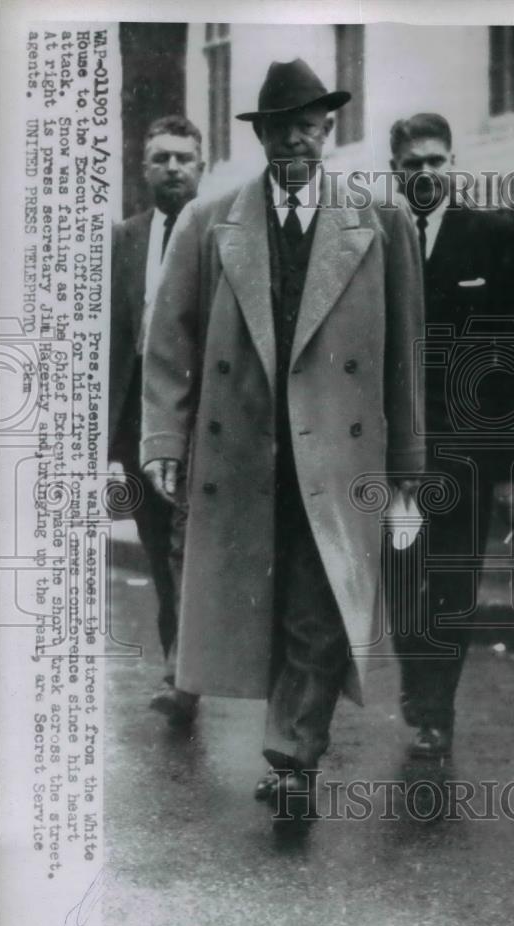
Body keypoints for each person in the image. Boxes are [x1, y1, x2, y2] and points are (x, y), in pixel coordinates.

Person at [140, 59, 424, 823]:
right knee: (262, 602)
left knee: (319, 603)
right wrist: (164, 437)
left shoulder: (380, 221)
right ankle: (287, 742)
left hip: (338, 455)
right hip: (244, 452)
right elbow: (169, 340)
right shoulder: (210, 222)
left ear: (326, 131)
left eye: (307, 125)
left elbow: (407, 354)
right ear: (261, 136)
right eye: (280, 127)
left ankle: (294, 757)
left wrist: (407, 467)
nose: (295, 139)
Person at [388, 113, 514, 759]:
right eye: (413, 163)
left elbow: (512, 354)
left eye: (436, 160)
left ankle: (437, 709)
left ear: (453, 164)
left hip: (468, 449)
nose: (426, 173)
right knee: (400, 574)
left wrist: (509, 465)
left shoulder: (490, 236)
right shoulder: (378, 237)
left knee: (454, 583)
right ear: (395, 171)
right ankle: (417, 680)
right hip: (397, 449)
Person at [108, 115, 204, 723]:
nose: (172, 168)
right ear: (144, 170)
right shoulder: (123, 239)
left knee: (185, 546)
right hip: (136, 421)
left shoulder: (216, 232)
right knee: (155, 541)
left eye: (183, 158)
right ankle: (178, 663)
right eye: (161, 158)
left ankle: (181, 675)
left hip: (197, 416)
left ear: (201, 166)